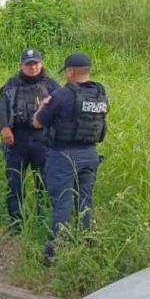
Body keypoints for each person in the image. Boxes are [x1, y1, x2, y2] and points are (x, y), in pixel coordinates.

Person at [33, 53, 109, 259]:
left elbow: (38, 122)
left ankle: (57, 251)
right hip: (90, 154)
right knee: (85, 202)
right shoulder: (100, 93)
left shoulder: (63, 95)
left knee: (62, 203)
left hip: (64, 156)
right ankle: (87, 245)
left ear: (70, 72)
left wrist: (42, 106)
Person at [0, 49, 60, 233]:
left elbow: (61, 109)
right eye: (29, 64)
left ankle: (42, 222)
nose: (33, 67)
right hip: (17, 140)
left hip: (42, 141)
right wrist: (5, 127)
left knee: (44, 183)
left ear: (41, 64)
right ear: (21, 66)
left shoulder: (52, 85)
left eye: (36, 63)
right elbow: (1, 106)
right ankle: (16, 225)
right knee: (15, 183)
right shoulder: (12, 84)